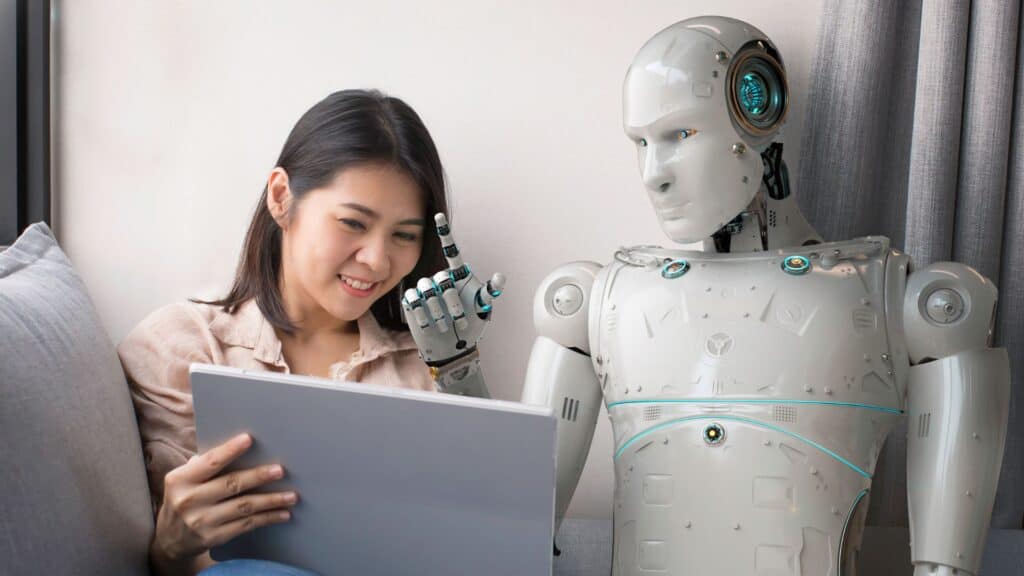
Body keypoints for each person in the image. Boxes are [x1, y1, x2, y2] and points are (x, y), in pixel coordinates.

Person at [119, 89, 503, 576]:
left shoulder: (425, 367)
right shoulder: (182, 347)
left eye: (405, 235)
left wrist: (460, 376)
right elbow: (183, 561)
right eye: (352, 223)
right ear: (281, 197)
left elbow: (486, 538)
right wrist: (171, 547)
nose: (378, 260)